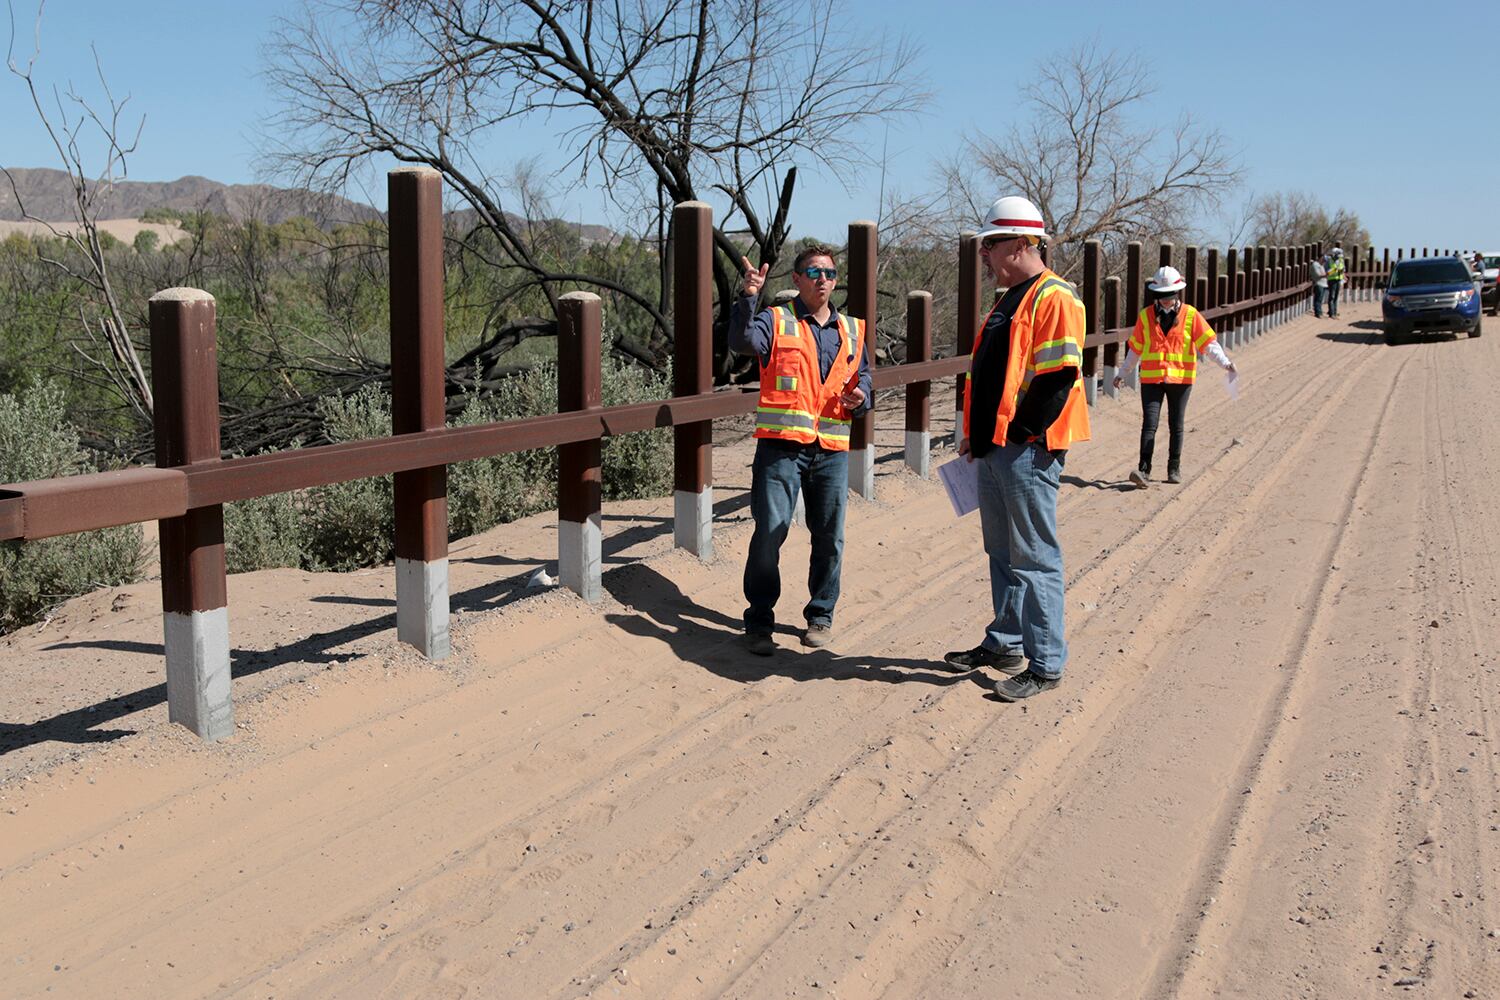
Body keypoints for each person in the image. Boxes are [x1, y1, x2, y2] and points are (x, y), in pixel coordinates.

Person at [941, 196, 1090, 702]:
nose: (985, 254)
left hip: (1028, 450)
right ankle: (1005, 642)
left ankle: (1045, 663)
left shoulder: (1055, 297)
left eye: (991, 244)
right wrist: (978, 436)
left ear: (1022, 244)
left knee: (1034, 556)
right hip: (996, 448)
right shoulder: (1010, 298)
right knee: (1002, 551)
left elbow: (1058, 379)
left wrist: (1019, 434)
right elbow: (992, 380)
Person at [729, 245, 872, 656]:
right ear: (796, 280)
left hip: (831, 450)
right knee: (770, 534)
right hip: (781, 449)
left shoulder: (853, 330)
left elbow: (864, 380)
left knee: (829, 537)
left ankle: (821, 615)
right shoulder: (776, 321)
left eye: (829, 273)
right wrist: (749, 295)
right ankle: (758, 622)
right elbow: (741, 342)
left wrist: (862, 397)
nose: (823, 279)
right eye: (813, 272)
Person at [1112, 265, 1237, 487]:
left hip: (1181, 381)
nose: (1166, 301)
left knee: (1176, 425)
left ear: (1177, 293)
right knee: (1149, 424)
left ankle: (1173, 469)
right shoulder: (1145, 316)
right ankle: (1143, 470)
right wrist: (1123, 373)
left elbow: (1209, 344)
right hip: (1151, 380)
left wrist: (1225, 363)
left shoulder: (1191, 315)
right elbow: (1135, 349)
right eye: (1161, 296)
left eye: (1169, 296)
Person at [1326, 247, 1345, 318]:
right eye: (1337, 255)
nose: (1339, 257)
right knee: (1332, 297)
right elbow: (1327, 271)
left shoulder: (1341, 260)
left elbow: (1343, 269)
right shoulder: (1329, 261)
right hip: (1332, 280)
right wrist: (1334, 270)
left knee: (1336, 297)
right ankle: (1331, 313)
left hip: (1339, 280)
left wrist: (1342, 275)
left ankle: (1335, 312)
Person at [1311, 253, 1329, 318]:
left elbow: (1323, 273)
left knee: (1320, 299)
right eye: (1323, 259)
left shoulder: (1321, 265)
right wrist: (1326, 275)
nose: (1324, 261)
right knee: (1318, 299)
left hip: (1323, 284)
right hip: (1318, 284)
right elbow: (1318, 275)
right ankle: (1318, 313)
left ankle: (1320, 312)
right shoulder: (1315, 265)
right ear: (1320, 258)